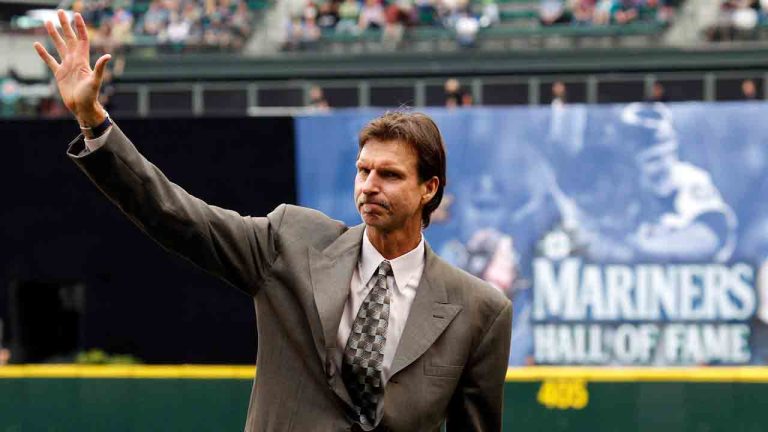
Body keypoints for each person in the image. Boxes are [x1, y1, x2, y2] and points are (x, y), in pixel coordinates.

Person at [34, 10, 512, 432]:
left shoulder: (479, 311)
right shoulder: (292, 241)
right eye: (363, 170)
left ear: (429, 188)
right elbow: (176, 215)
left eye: (389, 175)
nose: (369, 185)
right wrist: (94, 121)